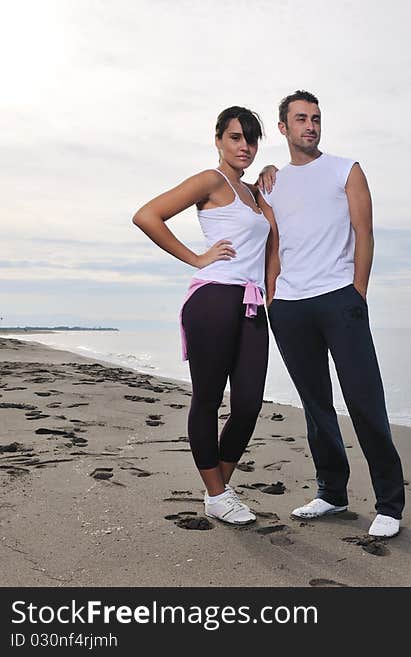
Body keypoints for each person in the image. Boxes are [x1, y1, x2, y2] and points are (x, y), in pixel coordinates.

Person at [257, 90, 405, 537]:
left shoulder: (346, 169)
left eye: (316, 118)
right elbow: (273, 245)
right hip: (289, 306)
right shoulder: (271, 182)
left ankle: (390, 505)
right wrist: (271, 297)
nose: (311, 125)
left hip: (339, 298)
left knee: (364, 399)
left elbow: (365, 234)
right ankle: (332, 493)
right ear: (283, 128)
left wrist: (357, 293)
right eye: (301, 118)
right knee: (316, 405)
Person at [133, 106, 276, 525]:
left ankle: (219, 491)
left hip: (252, 301)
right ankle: (217, 492)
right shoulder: (211, 181)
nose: (244, 146)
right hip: (213, 297)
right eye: (235, 137)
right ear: (218, 140)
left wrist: (269, 173)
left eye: (251, 139)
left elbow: (272, 247)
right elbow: (147, 215)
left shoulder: (255, 192)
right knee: (209, 400)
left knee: (249, 402)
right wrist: (196, 258)